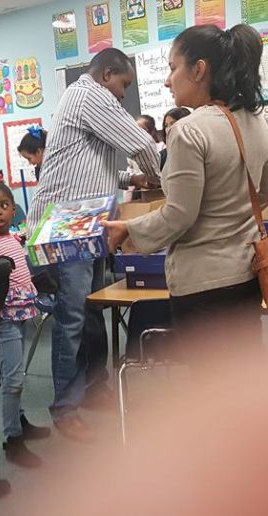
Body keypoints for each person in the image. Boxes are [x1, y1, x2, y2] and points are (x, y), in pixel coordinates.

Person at [101, 24, 268, 366]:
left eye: (172, 68)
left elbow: (180, 214)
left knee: (210, 392)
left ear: (199, 69)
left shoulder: (189, 130)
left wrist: (129, 231)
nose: (167, 80)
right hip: (249, 274)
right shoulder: (258, 121)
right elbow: (263, 196)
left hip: (204, 285)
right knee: (242, 382)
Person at [26, 47, 161, 442]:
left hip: (85, 225)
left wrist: (131, 181)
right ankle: (65, 408)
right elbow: (144, 147)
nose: (123, 95)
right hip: (67, 228)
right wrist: (162, 180)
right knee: (72, 321)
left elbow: (87, 165)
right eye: (124, 85)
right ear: (107, 76)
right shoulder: (92, 95)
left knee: (89, 314)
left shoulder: (80, 98)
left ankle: (94, 387)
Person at [0, 181, 50, 468]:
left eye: (4, 205)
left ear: (13, 208)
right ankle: (13, 440)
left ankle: (20, 421)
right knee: (14, 380)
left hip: (20, 316)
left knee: (14, 375)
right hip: (3, 319)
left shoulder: (13, 239)